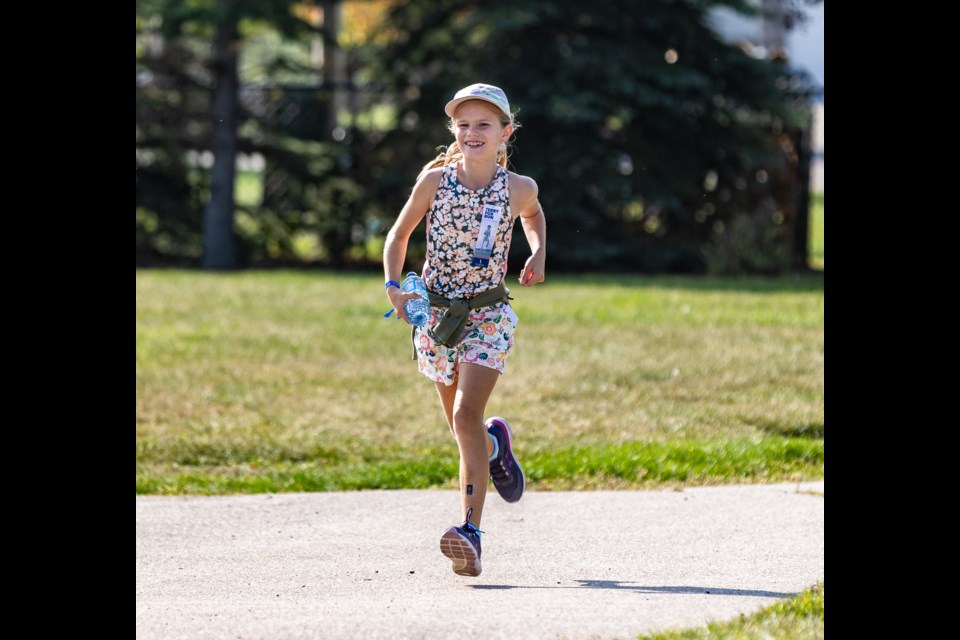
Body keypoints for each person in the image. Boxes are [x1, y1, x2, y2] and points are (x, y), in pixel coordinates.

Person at [383, 83, 546, 577]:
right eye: (464, 124)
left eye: (484, 125)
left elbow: (533, 215)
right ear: (454, 131)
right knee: (462, 428)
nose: (472, 133)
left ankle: (470, 532)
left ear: (505, 133)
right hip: (435, 315)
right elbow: (399, 233)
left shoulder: (519, 187)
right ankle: (496, 446)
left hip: (487, 313)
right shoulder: (434, 181)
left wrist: (537, 249)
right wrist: (394, 285)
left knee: (465, 411)